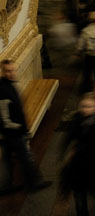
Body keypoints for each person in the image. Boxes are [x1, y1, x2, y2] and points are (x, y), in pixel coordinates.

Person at [0, 60, 51, 194]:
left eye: (13, 70)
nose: (12, 73)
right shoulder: (3, 91)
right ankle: (35, 183)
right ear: (3, 72)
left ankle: (6, 186)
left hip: (10, 132)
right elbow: (5, 119)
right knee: (26, 158)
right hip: (13, 132)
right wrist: (21, 128)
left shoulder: (9, 85)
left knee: (8, 160)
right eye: (8, 71)